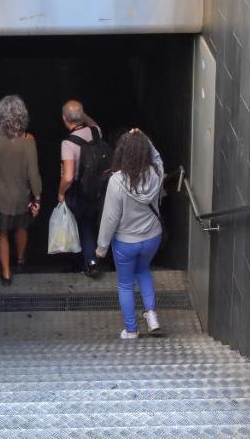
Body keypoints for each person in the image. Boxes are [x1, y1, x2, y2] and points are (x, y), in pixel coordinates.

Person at [96, 129, 165, 340]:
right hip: (152, 237)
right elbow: (157, 157)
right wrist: (145, 138)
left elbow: (110, 218)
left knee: (125, 284)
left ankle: (132, 329)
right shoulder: (157, 172)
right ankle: (152, 317)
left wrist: (101, 248)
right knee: (143, 271)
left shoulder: (117, 181)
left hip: (126, 242)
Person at [0, 95, 42, 285]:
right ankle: (20, 260)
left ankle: (6, 273)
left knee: (1, 234)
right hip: (22, 196)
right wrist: (37, 196)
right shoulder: (29, 139)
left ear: (0, 113)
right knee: (22, 227)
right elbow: (33, 172)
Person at [57, 100, 103, 277]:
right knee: (88, 225)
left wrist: (61, 192)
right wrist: (81, 113)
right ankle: (91, 261)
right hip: (96, 186)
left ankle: (76, 262)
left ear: (64, 118)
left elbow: (68, 176)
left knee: (73, 225)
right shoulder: (95, 131)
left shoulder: (68, 144)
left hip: (77, 190)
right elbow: (93, 123)